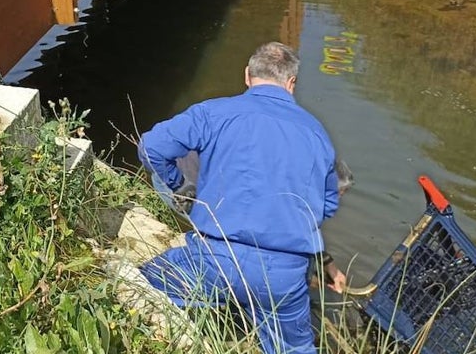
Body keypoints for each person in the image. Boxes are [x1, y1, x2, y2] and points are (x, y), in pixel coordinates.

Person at [137, 42, 338, 354]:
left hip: (216, 259)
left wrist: (179, 186)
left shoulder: (214, 112)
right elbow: (327, 205)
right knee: (295, 348)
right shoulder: (317, 134)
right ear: (291, 83)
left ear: (247, 75)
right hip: (284, 273)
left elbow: (151, 148)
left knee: (141, 286)